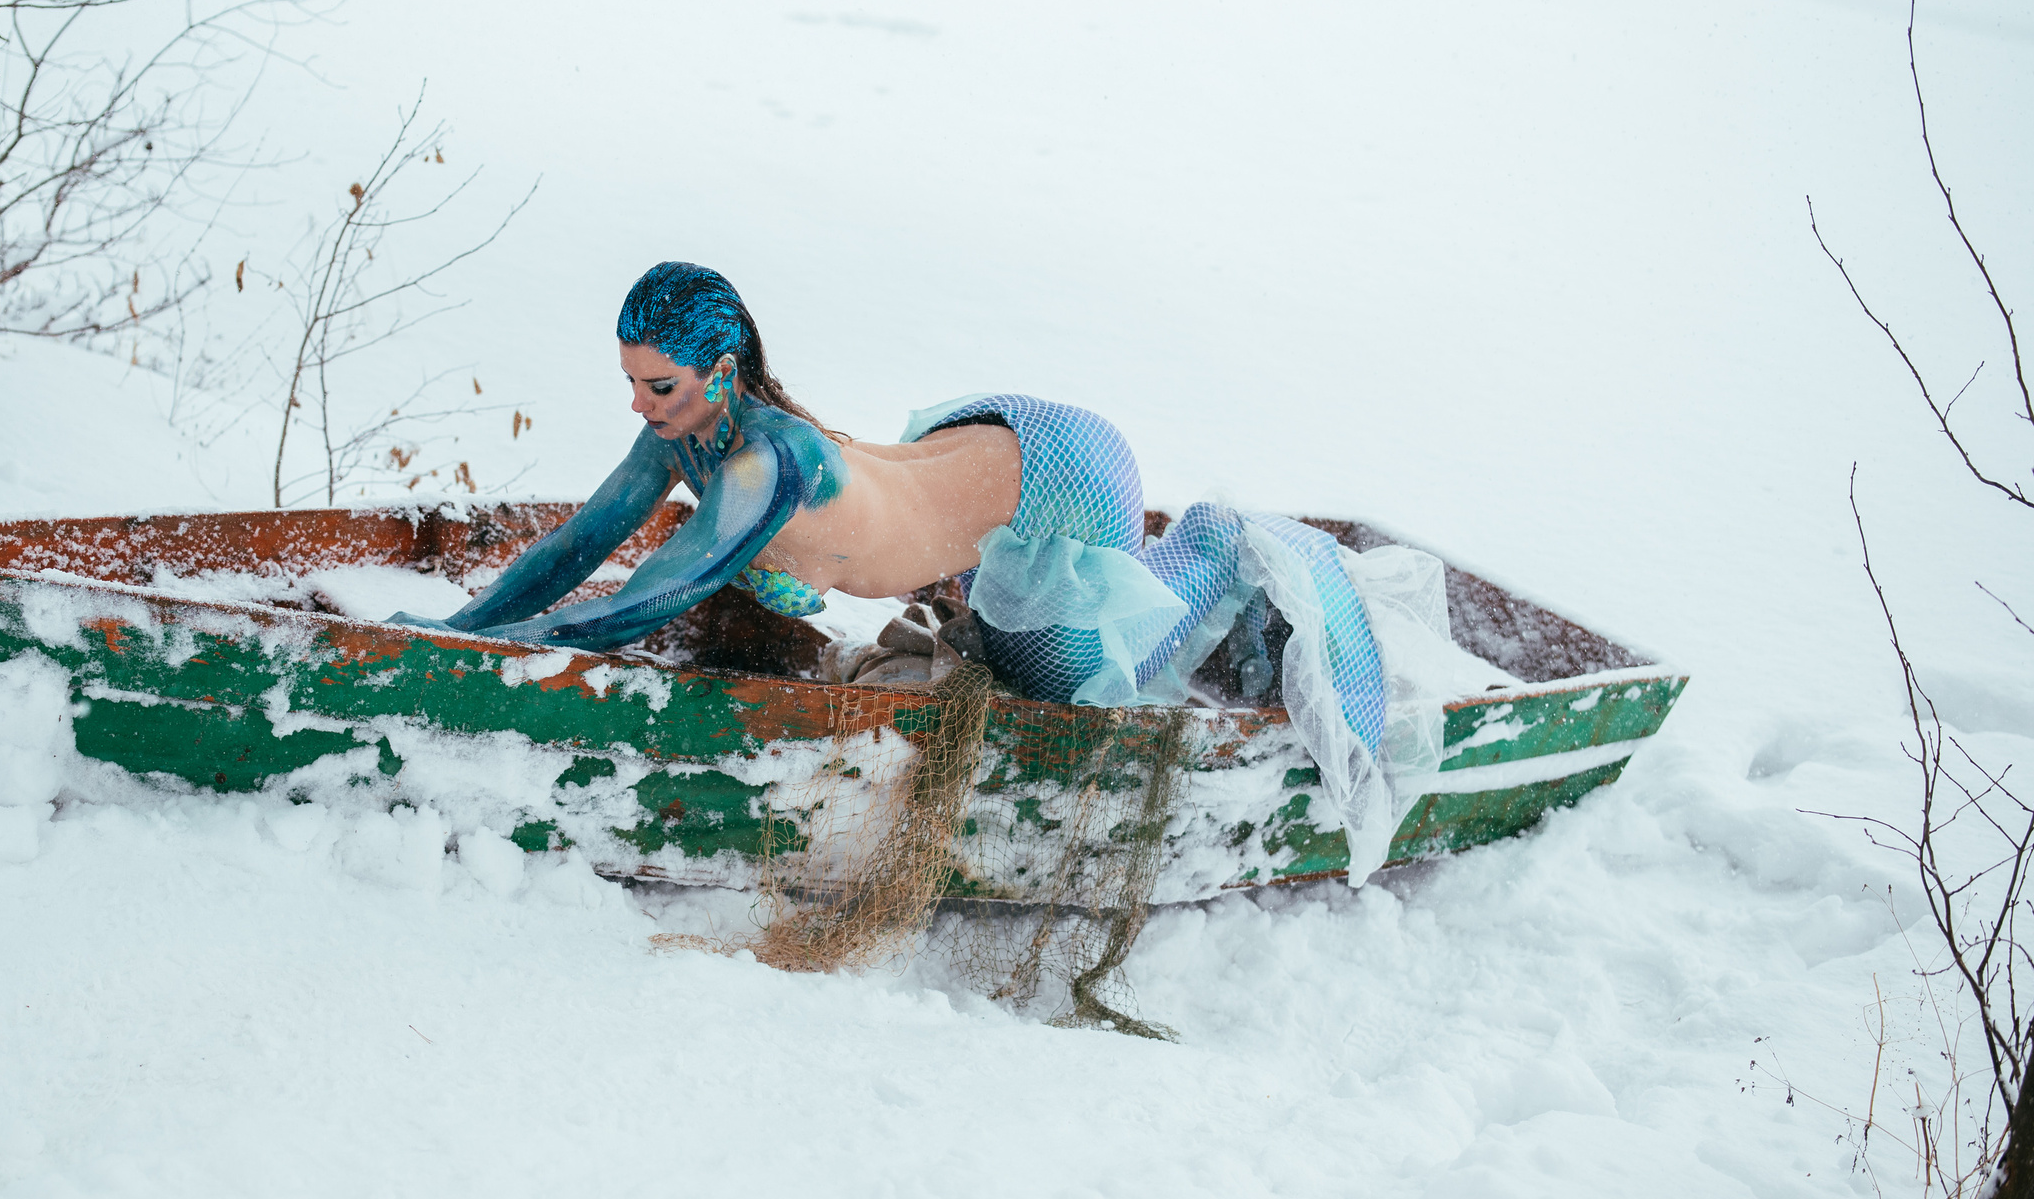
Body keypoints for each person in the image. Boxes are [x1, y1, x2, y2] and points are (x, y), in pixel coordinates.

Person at [400, 260, 1447, 881]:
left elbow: (643, 599)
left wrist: (461, 655)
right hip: (989, 441)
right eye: (631, 382)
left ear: (720, 374)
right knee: (994, 627)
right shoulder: (685, 432)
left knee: (1082, 683)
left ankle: (1220, 545)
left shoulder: (765, 465)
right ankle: (1179, 559)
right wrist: (460, 627)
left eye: (658, 384)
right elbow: (574, 549)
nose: (639, 405)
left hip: (1063, 483)